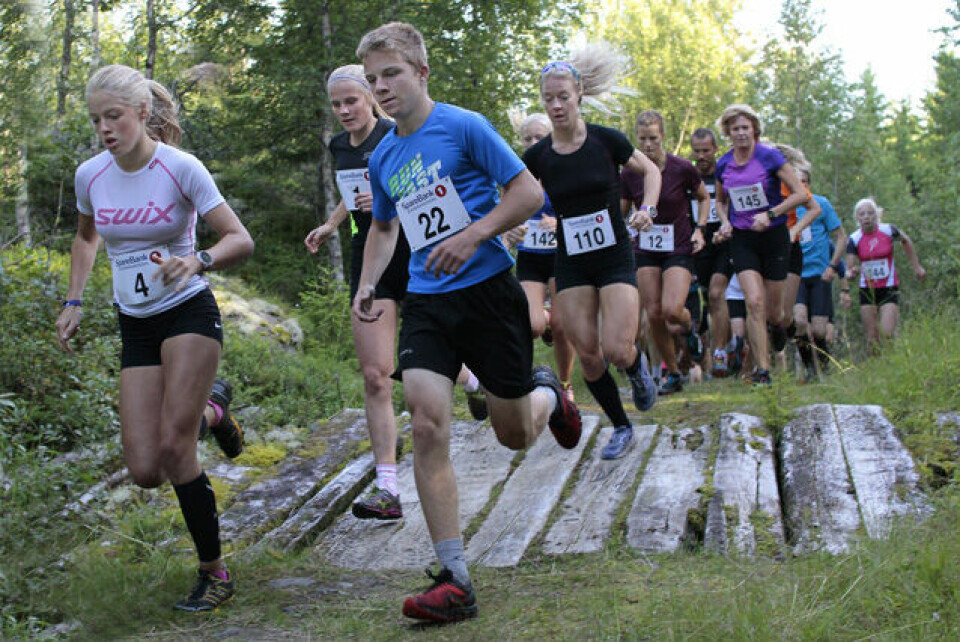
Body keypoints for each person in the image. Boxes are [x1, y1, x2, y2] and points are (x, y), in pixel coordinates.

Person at [353, 22, 582, 623]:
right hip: (427, 301)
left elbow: (528, 194)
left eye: (392, 74)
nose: (382, 87)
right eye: (373, 79)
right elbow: (384, 227)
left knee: (514, 434)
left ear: (421, 72)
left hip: (488, 295)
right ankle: (454, 578)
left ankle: (549, 396)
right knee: (428, 423)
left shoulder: (464, 126)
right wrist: (368, 283)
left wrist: (474, 234)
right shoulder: (384, 155)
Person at [55, 64, 254, 611]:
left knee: (175, 446)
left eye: (114, 116)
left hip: (188, 311)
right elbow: (86, 239)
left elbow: (239, 238)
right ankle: (215, 409)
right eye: (96, 120)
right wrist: (74, 300)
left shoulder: (180, 168)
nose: (105, 129)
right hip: (135, 322)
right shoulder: (91, 176)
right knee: (146, 470)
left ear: (142, 113)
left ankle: (214, 573)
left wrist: (198, 260)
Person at [304, 65, 486, 522]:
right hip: (369, 257)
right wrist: (331, 224)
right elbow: (351, 191)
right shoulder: (339, 145)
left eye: (351, 100)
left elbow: (431, 189)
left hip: (415, 250)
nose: (344, 110)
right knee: (375, 374)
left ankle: (474, 381)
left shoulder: (395, 135)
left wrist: (389, 200)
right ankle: (387, 487)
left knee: (423, 355)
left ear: (369, 97)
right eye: (336, 104)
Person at [523, 44, 660, 462]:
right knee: (588, 355)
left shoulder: (605, 140)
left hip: (613, 254)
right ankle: (621, 426)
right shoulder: (539, 156)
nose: (556, 105)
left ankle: (636, 368)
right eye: (549, 98)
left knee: (617, 348)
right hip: (572, 261)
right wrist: (509, 222)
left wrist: (648, 208)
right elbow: (518, 194)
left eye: (563, 96)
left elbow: (651, 170)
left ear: (579, 94)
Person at [713, 104, 808, 385]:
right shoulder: (724, 164)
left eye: (745, 127)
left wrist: (771, 214)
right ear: (728, 132)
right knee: (754, 302)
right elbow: (720, 201)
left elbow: (800, 194)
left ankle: (780, 328)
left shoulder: (770, 157)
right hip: (743, 239)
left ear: (754, 129)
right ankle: (763, 371)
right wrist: (725, 221)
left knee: (775, 313)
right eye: (735, 129)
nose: (741, 133)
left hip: (774, 237)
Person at [621, 110, 709, 395]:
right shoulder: (630, 173)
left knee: (672, 310)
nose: (648, 145)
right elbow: (621, 211)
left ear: (663, 137)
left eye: (653, 139)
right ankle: (672, 372)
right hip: (645, 247)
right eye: (642, 139)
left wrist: (700, 229)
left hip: (678, 245)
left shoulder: (682, 168)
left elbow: (704, 197)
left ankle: (689, 328)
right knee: (654, 313)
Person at [503, 112, 577, 402]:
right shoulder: (515, 175)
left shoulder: (566, 169)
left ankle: (565, 384)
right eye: (528, 138)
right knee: (532, 326)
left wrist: (560, 223)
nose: (534, 143)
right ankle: (544, 316)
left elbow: (584, 211)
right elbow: (503, 213)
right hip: (530, 258)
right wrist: (510, 231)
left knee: (562, 326)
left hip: (562, 257)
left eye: (539, 137)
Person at [845, 197, 926, 350]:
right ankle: (876, 363)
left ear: (876, 215)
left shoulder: (888, 230)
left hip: (888, 287)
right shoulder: (854, 239)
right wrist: (851, 273)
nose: (866, 217)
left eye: (870, 213)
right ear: (857, 218)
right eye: (862, 214)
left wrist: (917, 267)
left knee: (886, 334)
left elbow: (906, 241)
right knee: (872, 338)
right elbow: (849, 269)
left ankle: (891, 356)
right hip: (867, 290)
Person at [770, 143, 820, 369]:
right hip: (764, 247)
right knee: (763, 309)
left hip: (790, 248)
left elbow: (815, 209)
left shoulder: (790, 181)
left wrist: (794, 230)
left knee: (786, 316)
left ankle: (789, 338)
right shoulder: (757, 181)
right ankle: (763, 366)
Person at [794, 167, 846, 380]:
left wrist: (832, 266)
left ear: (809, 184)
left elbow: (841, 237)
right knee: (799, 322)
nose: (801, 186)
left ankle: (825, 368)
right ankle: (810, 369)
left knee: (819, 331)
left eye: (804, 181)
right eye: (797, 182)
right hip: (796, 276)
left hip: (819, 275)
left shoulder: (821, 204)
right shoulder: (786, 208)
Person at [689, 128, 734, 377]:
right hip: (697, 245)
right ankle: (699, 355)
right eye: (697, 151)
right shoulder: (688, 175)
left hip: (724, 243)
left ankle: (720, 354)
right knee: (704, 300)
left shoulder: (725, 173)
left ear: (715, 149)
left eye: (706, 150)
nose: (701, 156)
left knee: (717, 294)